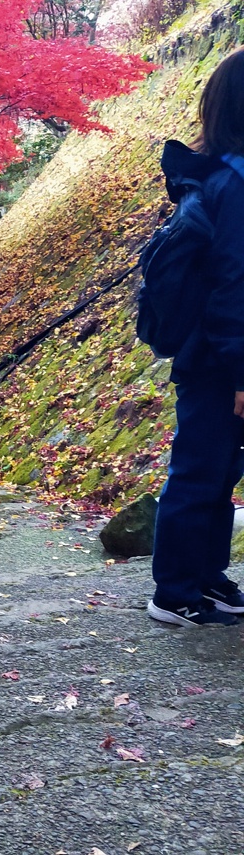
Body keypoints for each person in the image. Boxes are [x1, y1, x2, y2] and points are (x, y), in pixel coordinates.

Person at [148, 47, 244, 628]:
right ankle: (173, 591)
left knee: (217, 472)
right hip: (219, 360)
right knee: (199, 471)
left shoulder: (224, 176)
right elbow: (235, 288)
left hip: (219, 354)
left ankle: (205, 577)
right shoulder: (234, 184)